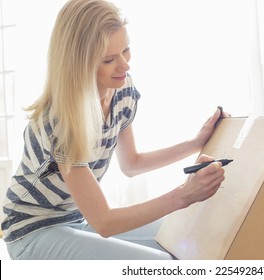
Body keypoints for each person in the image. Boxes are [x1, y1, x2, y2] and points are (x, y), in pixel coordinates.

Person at [1, 0, 228, 260]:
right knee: (161, 264)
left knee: (181, 241)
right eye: (109, 59)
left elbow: (131, 164)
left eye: (126, 50)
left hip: (74, 220)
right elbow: (105, 223)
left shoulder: (122, 91)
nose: (125, 65)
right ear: (79, 64)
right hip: (30, 231)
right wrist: (185, 195)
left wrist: (196, 142)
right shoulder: (61, 120)